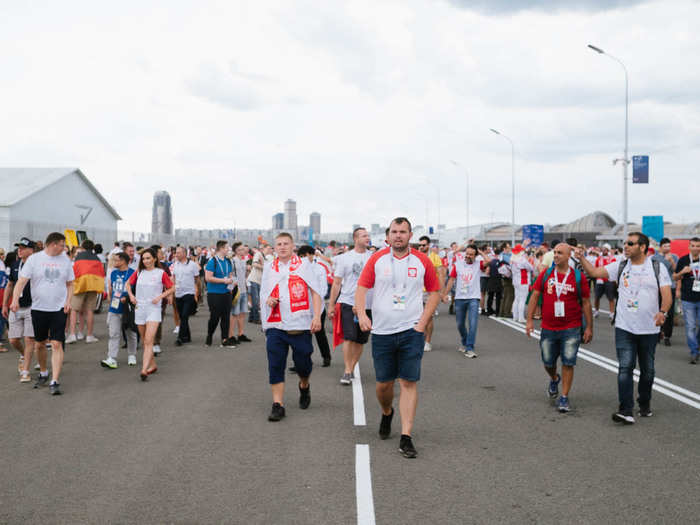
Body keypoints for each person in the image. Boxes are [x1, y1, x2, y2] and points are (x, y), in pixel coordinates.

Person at [356, 217, 441, 459]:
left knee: (407, 382)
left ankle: (406, 436)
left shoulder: (422, 260)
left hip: (411, 331)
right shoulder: (377, 259)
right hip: (382, 331)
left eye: (403, 232)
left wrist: (422, 324)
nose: (398, 236)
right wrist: (362, 314)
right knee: (384, 385)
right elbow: (362, 288)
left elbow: (435, 292)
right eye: (394, 231)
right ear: (388, 235)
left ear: (410, 235)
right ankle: (386, 412)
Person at [577, 232, 672, 424]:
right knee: (625, 368)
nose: (626, 246)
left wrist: (663, 312)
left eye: (630, 243)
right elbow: (595, 273)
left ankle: (644, 403)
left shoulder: (656, 267)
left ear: (643, 247)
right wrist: (581, 258)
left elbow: (667, 294)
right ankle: (626, 409)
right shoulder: (620, 265)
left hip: (649, 329)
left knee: (648, 371)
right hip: (624, 326)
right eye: (625, 243)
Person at [260, 233, 323, 422]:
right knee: (275, 364)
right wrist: (268, 299)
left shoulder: (304, 265)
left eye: (286, 243)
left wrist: (317, 316)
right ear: (274, 247)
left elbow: (316, 291)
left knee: (303, 363)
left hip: (300, 324)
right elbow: (264, 292)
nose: (282, 247)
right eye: (278, 244)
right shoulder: (269, 267)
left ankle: (304, 386)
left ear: (293, 246)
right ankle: (278, 404)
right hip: (276, 324)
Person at [527, 243, 593, 413]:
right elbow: (535, 295)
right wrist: (529, 320)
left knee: (568, 362)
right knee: (548, 362)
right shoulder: (546, 274)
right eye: (554, 252)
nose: (555, 255)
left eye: (560, 253)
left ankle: (564, 397)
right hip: (548, 327)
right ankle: (554, 378)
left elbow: (586, 303)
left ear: (569, 255)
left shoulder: (578, 277)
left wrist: (589, 328)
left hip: (571, 326)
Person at [11, 232, 75, 395]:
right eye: (62, 245)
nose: (64, 248)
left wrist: (68, 301)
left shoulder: (65, 260)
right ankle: (44, 371)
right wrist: (15, 300)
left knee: (56, 344)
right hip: (39, 309)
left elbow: (70, 283)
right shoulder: (35, 259)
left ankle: (55, 380)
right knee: (39, 344)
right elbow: (21, 281)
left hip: (59, 308)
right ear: (53, 244)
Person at [329, 227, 373, 384]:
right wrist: (331, 305)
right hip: (348, 302)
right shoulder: (345, 258)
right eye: (363, 235)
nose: (367, 238)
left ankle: (352, 367)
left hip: (368, 304)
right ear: (355, 239)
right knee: (349, 337)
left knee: (361, 340)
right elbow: (337, 283)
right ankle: (347, 370)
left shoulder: (373, 257)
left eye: (368, 235)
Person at [126, 248, 175, 381]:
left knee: (149, 340)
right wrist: (131, 296)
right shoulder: (139, 272)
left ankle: (144, 370)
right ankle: (152, 365)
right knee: (145, 340)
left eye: (148, 258)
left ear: (154, 259)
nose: (146, 261)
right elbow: (128, 284)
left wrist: (161, 297)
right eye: (144, 258)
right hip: (140, 308)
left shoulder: (160, 273)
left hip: (154, 309)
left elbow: (172, 287)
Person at [442, 244, 490, 358]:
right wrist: (444, 294)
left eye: (471, 254)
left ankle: (470, 347)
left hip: (474, 297)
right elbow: (451, 280)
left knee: (473, 323)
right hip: (460, 298)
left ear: (475, 256)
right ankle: (464, 340)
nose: (468, 256)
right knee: (460, 324)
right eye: (467, 253)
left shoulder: (479, 264)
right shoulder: (458, 265)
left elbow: (489, 261)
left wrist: (480, 252)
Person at [2, 238, 36, 382]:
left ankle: (26, 371)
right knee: (13, 339)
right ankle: (24, 355)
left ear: (31, 250)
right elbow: (10, 285)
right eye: (18, 247)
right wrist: (4, 304)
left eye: (23, 247)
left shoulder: (37, 265)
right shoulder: (15, 264)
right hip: (15, 307)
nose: (19, 250)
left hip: (32, 307)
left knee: (29, 339)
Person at [100, 252, 137, 369]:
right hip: (114, 307)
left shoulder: (133, 273)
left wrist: (127, 296)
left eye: (116, 260)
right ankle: (112, 358)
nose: (114, 262)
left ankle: (132, 355)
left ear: (123, 261)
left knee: (130, 332)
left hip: (128, 308)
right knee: (113, 333)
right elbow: (111, 288)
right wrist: (110, 298)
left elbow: (136, 290)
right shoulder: (113, 273)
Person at [298, 245, 332, 366]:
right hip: (303, 306)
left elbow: (323, 288)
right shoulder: (298, 269)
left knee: (319, 332)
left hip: (318, 307)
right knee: (303, 334)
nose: (302, 259)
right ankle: (303, 360)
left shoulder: (319, 269)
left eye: (304, 256)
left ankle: (326, 356)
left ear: (311, 255)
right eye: (300, 257)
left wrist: (315, 296)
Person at [66, 240, 105, 344]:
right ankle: (89, 335)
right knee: (90, 310)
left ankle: (72, 334)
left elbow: (75, 271)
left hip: (80, 285)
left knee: (74, 310)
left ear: (83, 247)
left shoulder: (79, 257)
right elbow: (101, 273)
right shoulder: (96, 258)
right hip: (93, 286)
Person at [673, 237, 700, 363]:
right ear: (689, 247)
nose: (695, 248)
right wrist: (682, 272)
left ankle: (697, 345)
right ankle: (694, 352)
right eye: (693, 245)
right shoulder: (683, 260)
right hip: (688, 298)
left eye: (698, 246)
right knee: (690, 327)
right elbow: (675, 276)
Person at [204, 240, 236, 348]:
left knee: (226, 317)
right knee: (215, 317)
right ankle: (209, 335)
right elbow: (208, 278)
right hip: (214, 293)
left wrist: (232, 281)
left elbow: (230, 275)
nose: (229, 249)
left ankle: (224, 339)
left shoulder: (228, 261)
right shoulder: (212, 261)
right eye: (227, 248)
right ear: (221, 248)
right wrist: (223, 281)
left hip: (226, 292)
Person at [417, 236, 445, 352]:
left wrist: (441, 292)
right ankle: (420, 339)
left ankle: (427, 342)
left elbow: (441, 274)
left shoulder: (435, 257)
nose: (421, 247)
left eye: (424, 245)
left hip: (430, 292)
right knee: (418, 317)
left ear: (428, 245)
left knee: (428, 317)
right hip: (417, 291)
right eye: (420, 245)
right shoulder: (415, 256)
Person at [651, 238, 678, 346]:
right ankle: (657, 333)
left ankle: (667, 336)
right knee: (657, 309)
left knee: (669, 312)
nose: (668, 248)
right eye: (665, 246)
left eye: (669, 246)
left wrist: (671, 261)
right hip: (657, 287)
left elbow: (677, 272)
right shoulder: (654, 257)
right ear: (661, 247)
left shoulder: (674, 257)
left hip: (670, 286)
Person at [171, 245, 200, 346]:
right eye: (176, 253)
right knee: (182, 316)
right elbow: (173, 277)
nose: (176, 254)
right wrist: (173, 290)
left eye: (178, 253)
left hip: (189, 293)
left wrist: (196, 291)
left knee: (184, 315)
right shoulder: (175, 264)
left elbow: (197, 278)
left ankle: (180, 338)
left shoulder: (192, 265)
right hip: (178, 293)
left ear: (184, 253)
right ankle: (187, 336)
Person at [229, 242, 252, 345]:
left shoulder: (244, 260)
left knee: (242, 313)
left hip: (243, 290)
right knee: (234, 314)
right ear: (237, 251)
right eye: (242, 249)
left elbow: (245, 276)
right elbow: (230, 275)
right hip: (236, 291)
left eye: (244, 249)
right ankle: (230, 335)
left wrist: (248, 270)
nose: (244, 251)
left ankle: (240, 334)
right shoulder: (232, 261)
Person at [510, 243, 534, 323]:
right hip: (523, 281)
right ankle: (521, 317)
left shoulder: (512, 259)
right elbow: (531, 268)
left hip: (515, 281)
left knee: (516, 299)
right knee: (522, 299)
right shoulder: (522, 260)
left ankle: (515, 317)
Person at [594, 245, 616, 319]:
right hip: (599, 280)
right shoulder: (598, 259)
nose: (604, 251)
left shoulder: (612, 259)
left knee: (611, 298)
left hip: (609, 280)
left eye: (605, 249)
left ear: (608, 250)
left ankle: (612, 313)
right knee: (597, 297)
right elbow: (596, 268)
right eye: (603, 249)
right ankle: (596, 311)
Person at [485, 248, 503, 315]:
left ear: (494, 254)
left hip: (491, 279)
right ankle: (497, 311)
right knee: (498, 297)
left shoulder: (491, 262)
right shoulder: (501, 262)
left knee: (490, 296)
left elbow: (487, 272)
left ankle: (489, 310)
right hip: (498, 280)